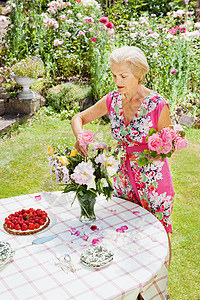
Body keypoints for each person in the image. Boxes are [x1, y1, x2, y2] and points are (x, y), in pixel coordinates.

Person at [71, 45, 174, 270]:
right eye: (114, 75)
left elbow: (170, 144)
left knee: (157, 237)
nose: (118, 80)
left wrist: (161, 147)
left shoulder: (157, 104)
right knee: (124, 235)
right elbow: (78, 117)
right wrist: (80, 137)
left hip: (153, 182)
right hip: (122, 180)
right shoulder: (113, 100)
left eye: (123, 76)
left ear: (139, 74)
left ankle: (159, 286)